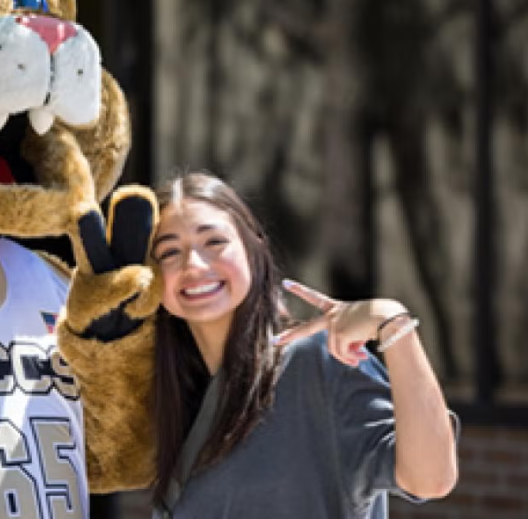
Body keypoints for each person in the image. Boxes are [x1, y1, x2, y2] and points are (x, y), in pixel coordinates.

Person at [141, 171, 458, 518]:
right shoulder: (179, 397)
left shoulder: (316, 362)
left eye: (214, 242)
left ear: (253, 247)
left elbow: (430, 479)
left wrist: (392, 323)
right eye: (169, 251)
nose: (194, 265)